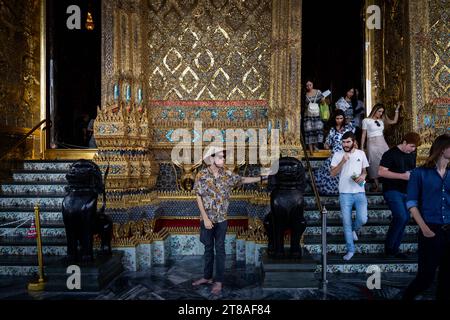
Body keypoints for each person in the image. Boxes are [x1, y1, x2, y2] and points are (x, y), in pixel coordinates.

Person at [192, 145, 269, 295]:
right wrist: (206, 219)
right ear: (212, 158)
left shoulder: (227, 175)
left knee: (220, 249)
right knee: (208, 249)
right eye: (220, 156)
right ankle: (207, 277)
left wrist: (263, 177)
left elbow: (243, 179)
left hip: (221, 220)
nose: (223, 159)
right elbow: (198, 197)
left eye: (223, 156)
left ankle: (218, 281)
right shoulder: (201, 175)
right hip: (206, 220)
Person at [403, 134, 450, 300]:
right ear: (443, 149)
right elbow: (411, 203)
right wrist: (425, 229)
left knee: (447, 279)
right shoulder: (419, 173)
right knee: (426, 277)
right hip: (430, 228)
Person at [378, 132, 421, 258]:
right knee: (401, 216)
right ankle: (390, 247)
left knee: (405, 218)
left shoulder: (412, 154)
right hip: (391, 190)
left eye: (415, 148)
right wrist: (402, 176)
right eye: (411, 146)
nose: (413, 149)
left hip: (406, 191)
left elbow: (410, 172)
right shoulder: (390, 154)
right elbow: (381, 172)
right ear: (404, 142)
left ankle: (393, 248)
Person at [331, 131, 369, 261]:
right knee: (346, 223)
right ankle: (350, 249)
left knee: (363, 219)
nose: (345, 144)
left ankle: (354, 229)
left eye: (348, 142)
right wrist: (342, 161)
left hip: (359, 191)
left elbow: (365, 170)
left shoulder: (361, 154)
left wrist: (363, 176)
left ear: (353, 142)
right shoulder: (337, 154)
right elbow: (332, 173)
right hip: (345, 193)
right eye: (343, 142)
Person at [361, 103, 400, 192]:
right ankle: (377, 185)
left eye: (382, 112)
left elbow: (394, 121)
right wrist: (362, 147)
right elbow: (363, 135)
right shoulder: (366, 120)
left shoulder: (382, 120)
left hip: (382, 142)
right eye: (379, 111)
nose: (381, 113)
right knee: (373, 163)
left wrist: (397, 109)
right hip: (372, 143)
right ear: (374, 110)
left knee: (388, 159)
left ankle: (390, 183)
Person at [314, 109, 355, 195]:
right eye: (337, 118)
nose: (339, 120)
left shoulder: (348, 127)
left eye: (341, 118)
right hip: (336, 152)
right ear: (334, 119)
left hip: (347, 151)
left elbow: (353, 139)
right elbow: (328, 142)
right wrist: (326, 145)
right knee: (329, 165)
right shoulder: (332, 129)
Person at [303, 80, 325, 153]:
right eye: (307, 85)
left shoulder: (318, 92)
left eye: (310, 85)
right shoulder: (304, 94)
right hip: (308, 115)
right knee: (309, 131)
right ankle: (310, 149)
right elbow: (303, 105)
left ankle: (315, 147)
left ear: (313, 84)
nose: (308, 87)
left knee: (317, 131)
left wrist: (323, 100)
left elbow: (323, 103)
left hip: (316, 115)